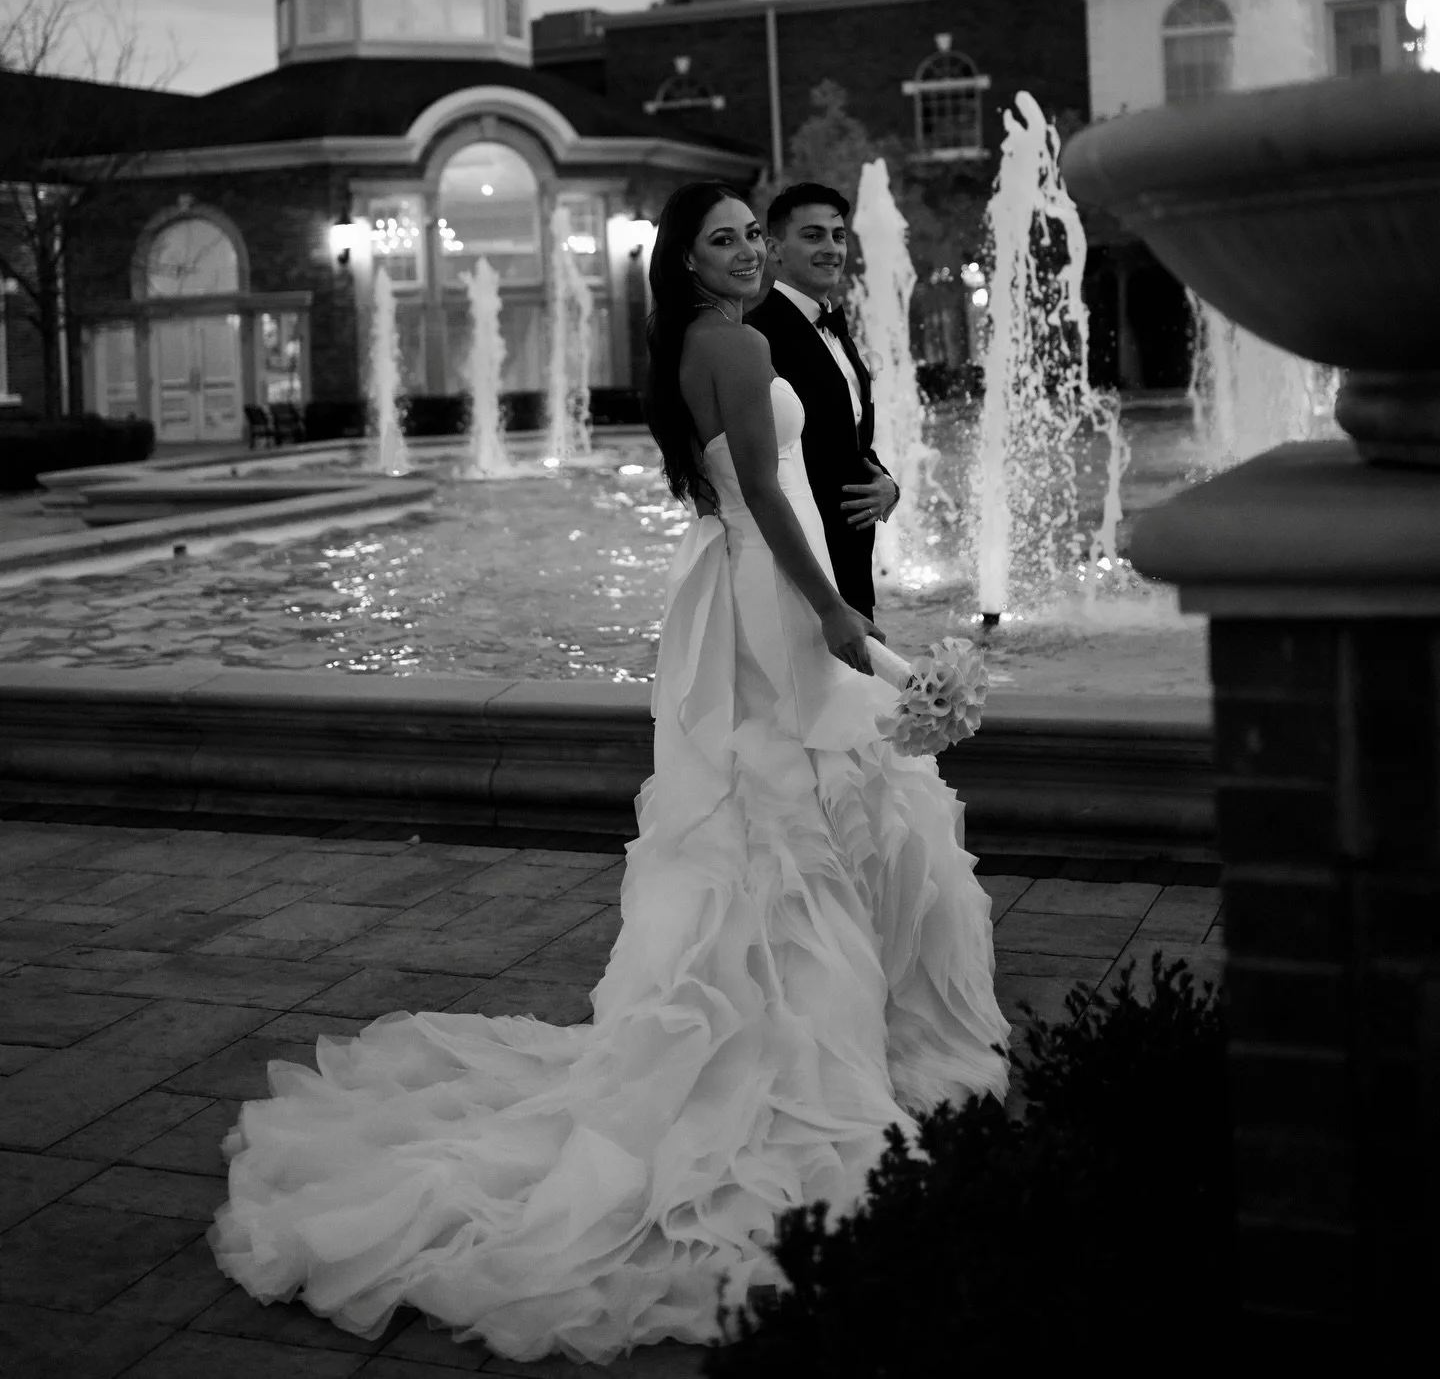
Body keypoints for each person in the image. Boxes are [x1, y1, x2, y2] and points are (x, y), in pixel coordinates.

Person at [209, 180, 1009, 1367]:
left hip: (734, 582)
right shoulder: (731, 341)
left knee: (784, 809)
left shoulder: (692, 342)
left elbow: (739, 491)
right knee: (792, 808)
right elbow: (772, 496)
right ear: (689, 262)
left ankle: (805, 1023)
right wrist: (837, 611)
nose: (744, 253)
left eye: (750, 235)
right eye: (725, 239)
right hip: (771, 591)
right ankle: (797, 1050)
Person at [744, 181, 896, 621]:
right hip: (800, 569)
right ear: (774, 249)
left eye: (838, 235)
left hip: (852, 564)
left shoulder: (836, 330)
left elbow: (846, 442)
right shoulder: (756, 337)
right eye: (813, 236)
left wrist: (888, 486)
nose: (831, 247)